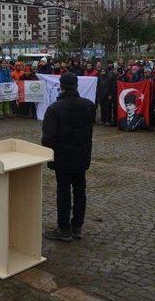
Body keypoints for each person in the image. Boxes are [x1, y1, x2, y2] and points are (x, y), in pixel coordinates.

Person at [42, 72, 95, 242]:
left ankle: (64, 229)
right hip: (81, 156)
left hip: (62, 158)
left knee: (64, 193)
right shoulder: (89, 105)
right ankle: (77, 226)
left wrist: (50, 156)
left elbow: (48, 138)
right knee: (80, 192)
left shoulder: (54, 109)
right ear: (76, 86)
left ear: (61, 86)